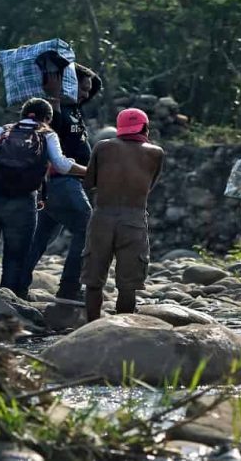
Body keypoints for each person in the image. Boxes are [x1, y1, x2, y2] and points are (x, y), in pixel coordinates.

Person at [0, 98, 86, 296]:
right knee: (15, 259)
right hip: (22, 204)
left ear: (22, 114)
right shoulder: (47, 134)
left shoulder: (1, 131)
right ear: (48, 118)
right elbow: (62, 165)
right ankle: (8, 306)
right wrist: (90, 170)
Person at [22, 64, 102, 304]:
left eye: (88, 91)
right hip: (62, 182)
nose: (86, 94)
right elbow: (49, 128)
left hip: (58, 186)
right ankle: (69, 288)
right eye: (82, 88)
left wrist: (75, 71)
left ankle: (15, 283)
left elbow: (95, 85)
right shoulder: (54, 109)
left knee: (40, 237)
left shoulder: (75, 108)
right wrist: (56, 91)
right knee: (88, 226)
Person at [82, 108, 164, 321]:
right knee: (128, 285)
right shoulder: (156, 153)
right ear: (145, 127)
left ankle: (92, 326)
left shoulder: (102, 147)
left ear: (119, 128)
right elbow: (149, 186)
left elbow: (89, 182)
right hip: (134, 219)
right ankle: (124, 326)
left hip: (102, 217)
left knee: (94, 280)